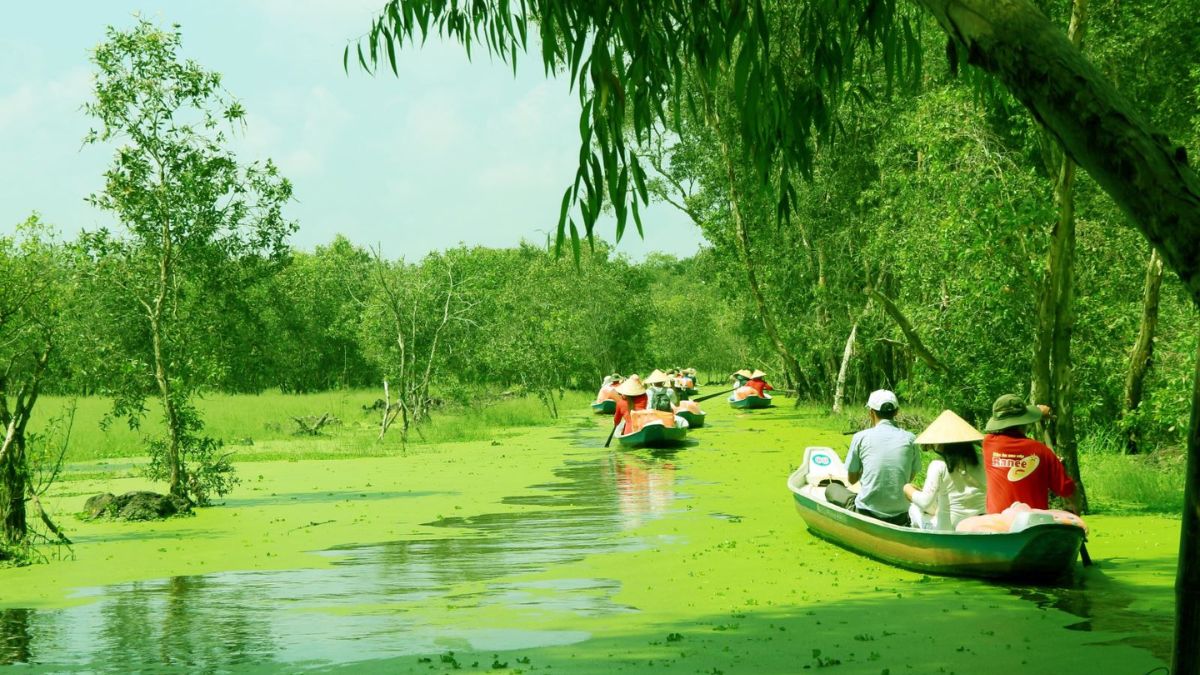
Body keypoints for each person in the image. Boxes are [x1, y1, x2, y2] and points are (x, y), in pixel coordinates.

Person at [824, 390, 920, 526]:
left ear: (871, 412)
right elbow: (909, 477)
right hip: (900, 516)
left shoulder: (860, 437)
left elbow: (852, 480)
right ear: (896, 412)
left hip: (866, 513)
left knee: (832, 488)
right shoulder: (910, 438)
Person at [982, 394, 1078, 513]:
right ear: (1024, 422)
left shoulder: (988, 444)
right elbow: (1067, 490)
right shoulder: (1041, 451)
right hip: (1033, 526)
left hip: (998, 524)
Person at [903, 410, 987, 531]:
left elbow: (925, 502)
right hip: (978, 525)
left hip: (948, 529)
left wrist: (908, 489)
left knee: (913, 509)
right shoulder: (982, 459)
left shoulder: (938, 465)